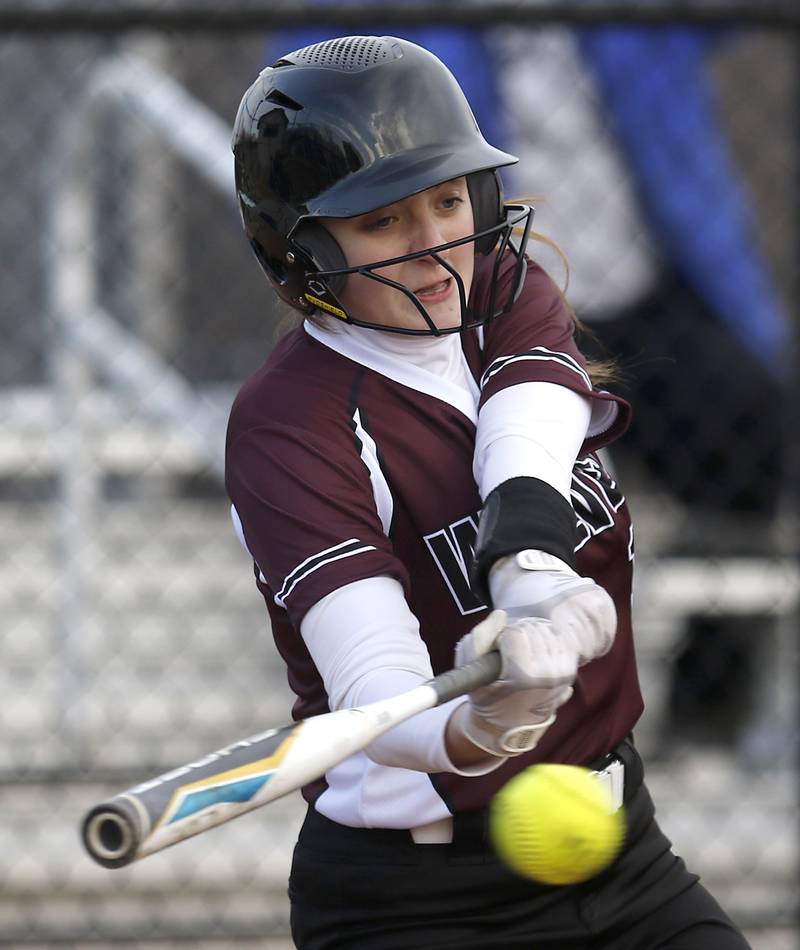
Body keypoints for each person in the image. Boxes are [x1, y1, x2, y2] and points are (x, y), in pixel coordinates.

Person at [225, 35, 752, 950]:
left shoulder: (506, 286)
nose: (436, 245)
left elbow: (530, 425)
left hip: (620, 852)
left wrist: (530, 567)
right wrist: (486, 718)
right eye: (383, 221)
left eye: (447, 200)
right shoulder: (289, 428)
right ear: (298, 250)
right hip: (422, 901)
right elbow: (376, 689)